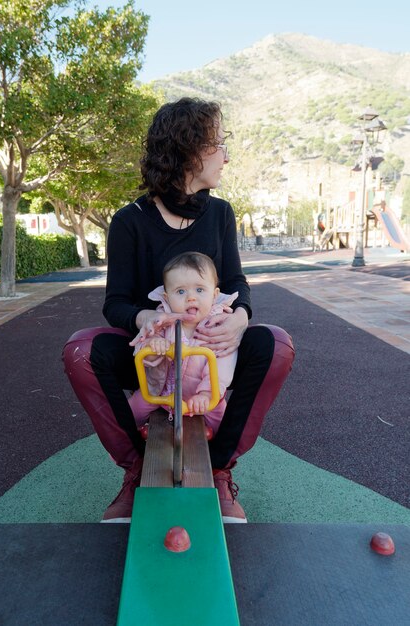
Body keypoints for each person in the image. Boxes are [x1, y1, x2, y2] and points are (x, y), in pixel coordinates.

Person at [62, 97, 295, 524]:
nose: (226, 155)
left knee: (275, 344)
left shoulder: (221, 214)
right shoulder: (130, 221)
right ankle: (135, 470)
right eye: (218, 143)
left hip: (210, 355)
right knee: (81, 351)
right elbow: (115, 303)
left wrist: (240, 319)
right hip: (152, 357)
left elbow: (236, 283)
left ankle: (221, 468)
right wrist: (146, 318)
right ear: (189, 149)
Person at [129, 251, 238, 434]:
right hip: (160, 392)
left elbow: (223, 364)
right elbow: (141, 349)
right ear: (167, 296)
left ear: (214, 294)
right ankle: (133, 446)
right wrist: (153, 344)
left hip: (202, 396)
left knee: (226, 428)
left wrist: (206, 394)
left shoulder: (217, 326)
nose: (191, 297)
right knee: (130, 413)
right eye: (180, 291)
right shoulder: (163, 321)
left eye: (200, 290)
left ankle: (220, 457)